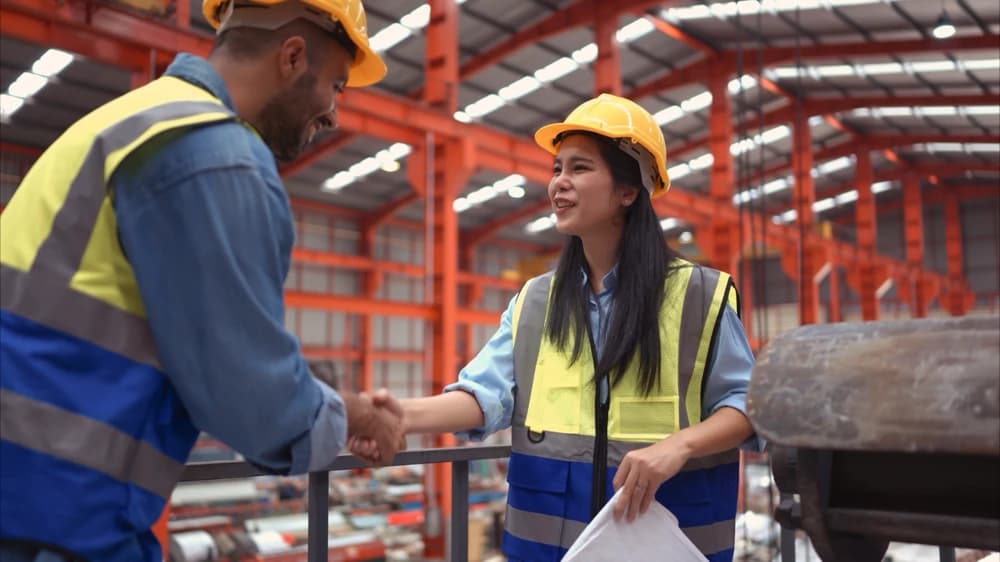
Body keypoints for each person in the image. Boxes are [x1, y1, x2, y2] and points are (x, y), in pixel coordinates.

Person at [0, 1, 403, 560]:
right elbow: (251, 397)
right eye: (335, 85)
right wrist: (354, 415)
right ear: (292, 57)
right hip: (58, 520)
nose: (333, 114)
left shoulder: (130, 119)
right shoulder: (213, 154)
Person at [352, 94, 761, 562]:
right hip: (546, 550)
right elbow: (484, 394)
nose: (558, 183)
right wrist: (398, 415)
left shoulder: (699, 297)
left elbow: (747, 404)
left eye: (579, 168)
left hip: (664, 545)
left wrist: (679, 446)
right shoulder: (535, 302)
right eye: (556, 169)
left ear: (628, 191)